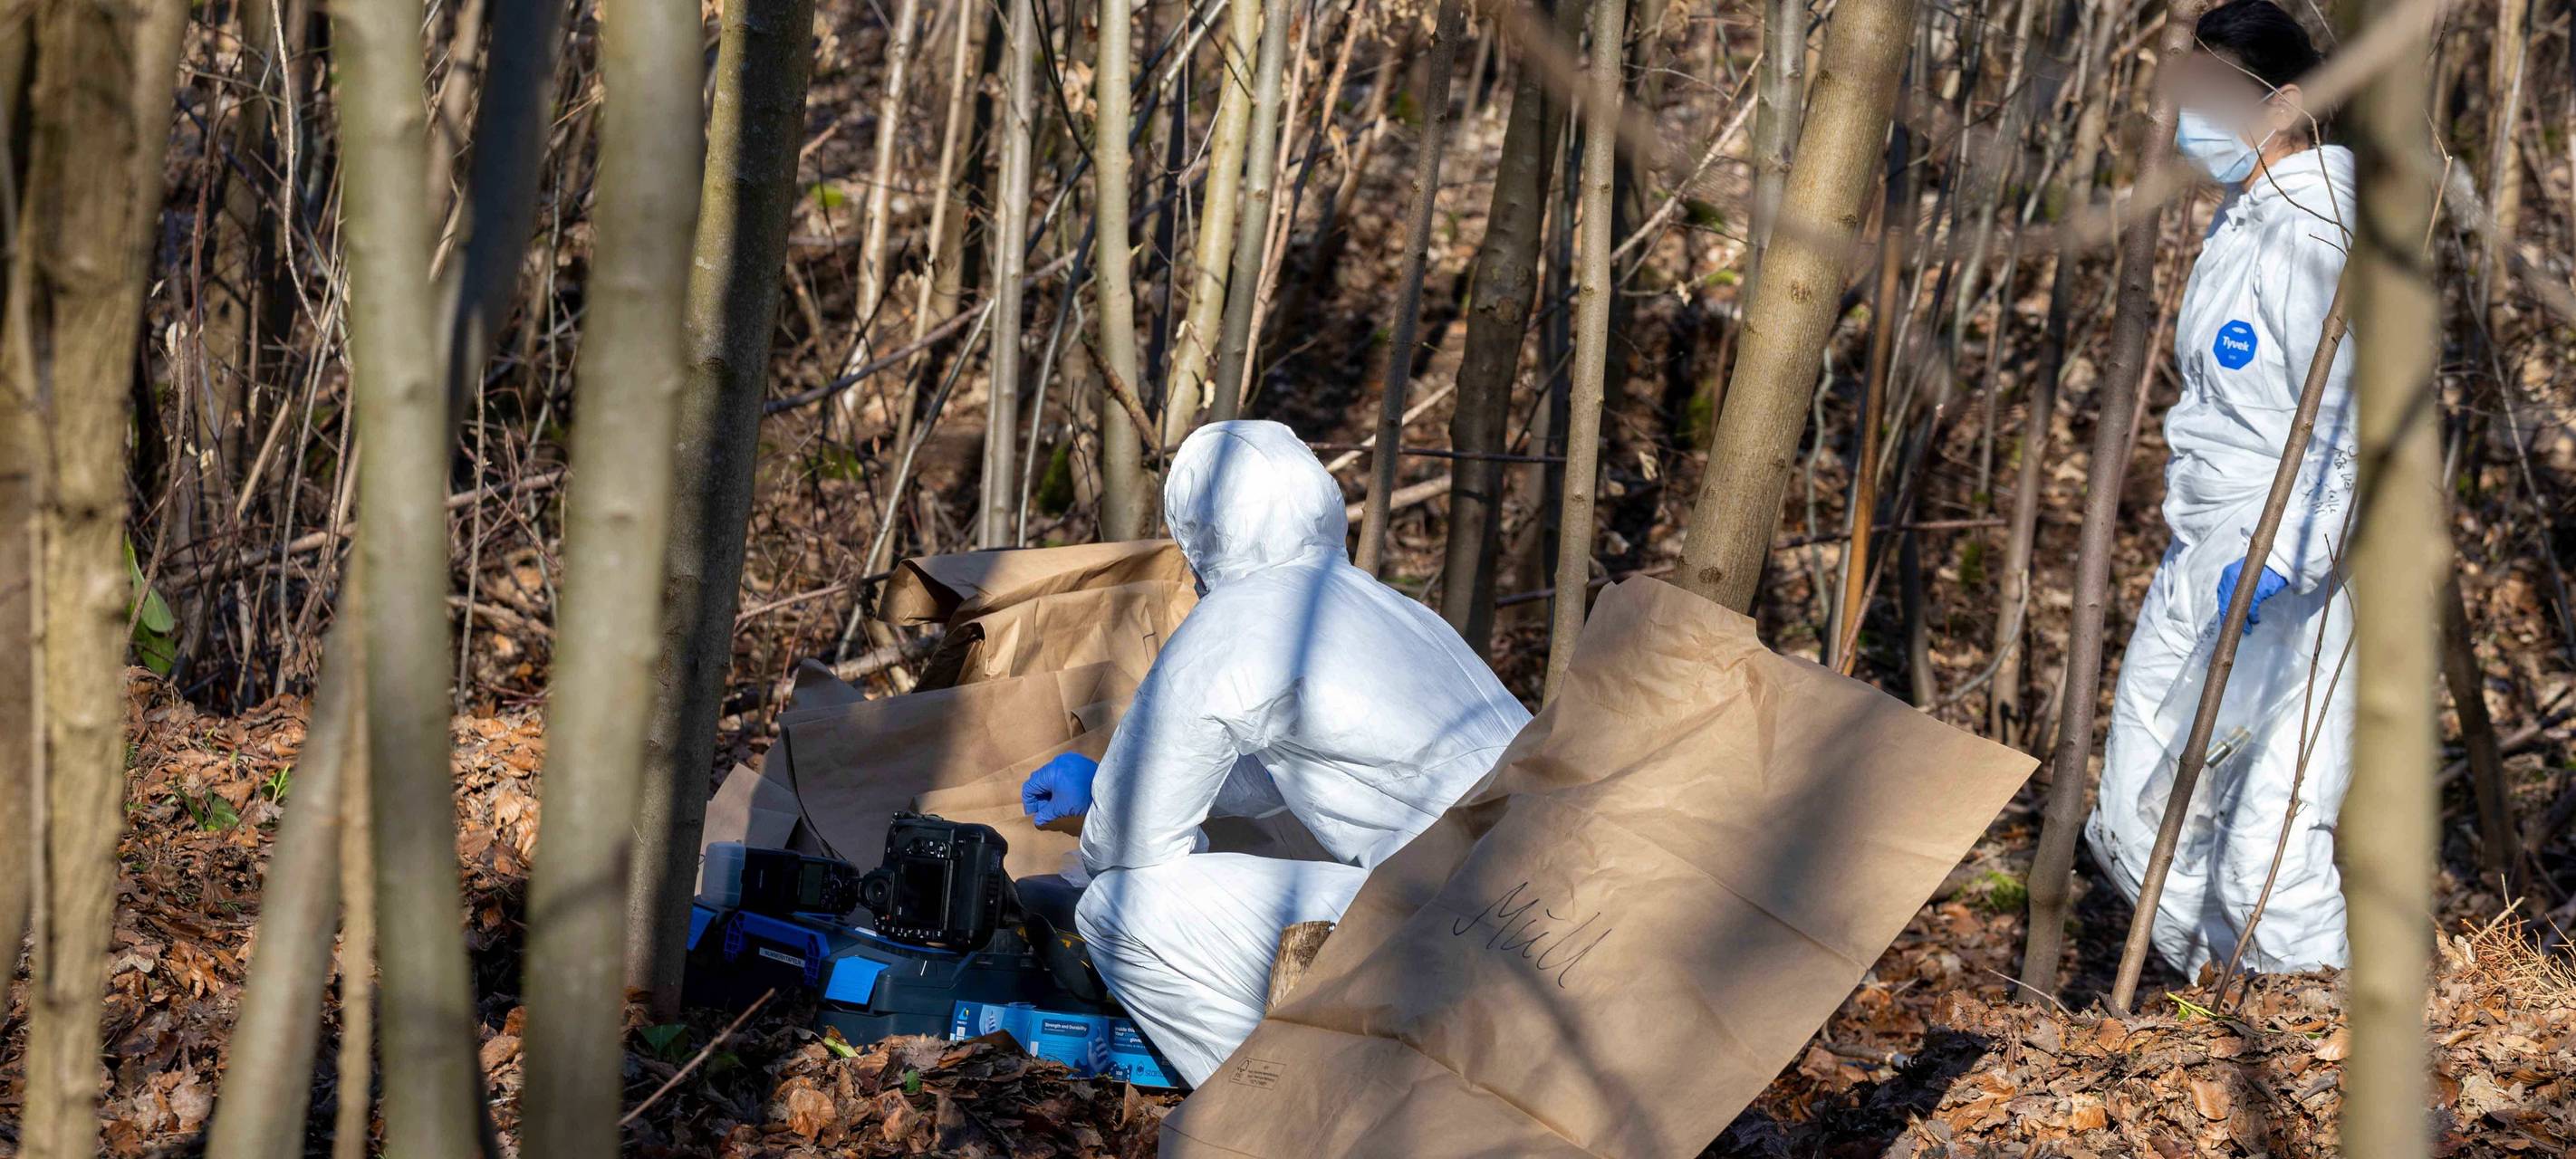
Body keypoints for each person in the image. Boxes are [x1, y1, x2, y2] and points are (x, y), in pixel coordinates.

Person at [1018, 419, 1532, 1084]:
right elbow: (1303, 764)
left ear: (1201, 535)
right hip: (1538, 921)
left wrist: (1109, 805)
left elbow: (1130, 845)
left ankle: (1284, 1106)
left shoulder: (1239, 618)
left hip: (1451, 935)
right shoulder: (1394, 611)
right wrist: (1118, 783)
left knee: (1116, 908)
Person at [2085, 0, 2358, 978]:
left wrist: (2279, 566)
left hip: (2281, 577)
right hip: (2200, 556)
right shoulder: (2245, 218)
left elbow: (2347, 431)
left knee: (2265, 859)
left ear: (2285, 103)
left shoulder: (2321, 231)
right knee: (2132, 824)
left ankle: (2320, 1065)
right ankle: (2221, 1017)